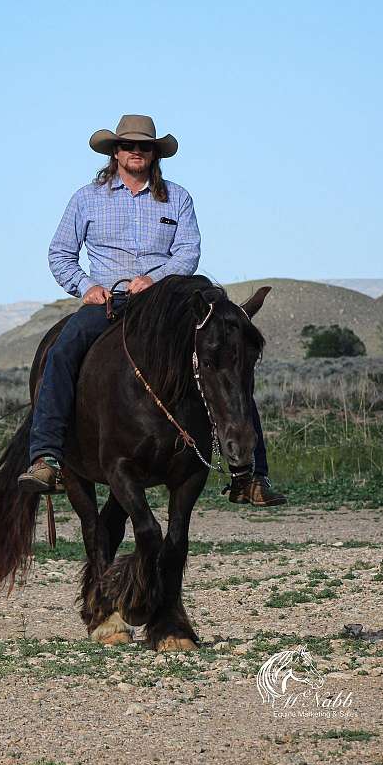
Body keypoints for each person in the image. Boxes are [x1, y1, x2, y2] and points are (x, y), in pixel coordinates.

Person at [17, 114, 286, 506]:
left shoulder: (177, 197)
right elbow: (60, 254)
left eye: (144, 146)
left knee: (226, 354)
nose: (136, 151)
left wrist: (156, 279)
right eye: (128, 145)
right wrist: (86, 286)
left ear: (155, 153)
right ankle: (46, 457)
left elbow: (188, 252)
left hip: (167, 303)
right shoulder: (86, 198)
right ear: (115, 152)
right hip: (110, 301)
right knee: (63, 350)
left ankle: (251, 475)